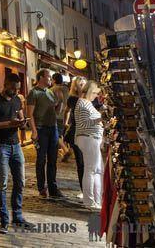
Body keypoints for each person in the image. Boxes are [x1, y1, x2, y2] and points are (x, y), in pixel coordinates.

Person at [0, 72, 35, 234]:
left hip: (16, 146)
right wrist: (9, 123)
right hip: (0, 147)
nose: (15, 91)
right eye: (13, 88)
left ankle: (18, 217)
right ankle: (4, 221)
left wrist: (22, 124)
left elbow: (21, 118)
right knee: (3, 184)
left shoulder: (17, 100)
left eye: (18, 89)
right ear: (5, 85)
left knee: (20, 182)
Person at [26, 69, 63, 199]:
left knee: (53, 160)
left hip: (53, 128)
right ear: (41, 77)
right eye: (48, 76)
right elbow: (29, 114)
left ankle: (53, 188)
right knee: (41, 160)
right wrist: (34, 131)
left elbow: (56, 112)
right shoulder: (33, 93)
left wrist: (60, 102)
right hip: (41, 129)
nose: (50, 79)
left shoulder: (50, 92)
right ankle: (41, 187)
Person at [75, 81, 104, 210]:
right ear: (90, 91)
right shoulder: (82, 103)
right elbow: (83, 124)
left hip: (93, 139)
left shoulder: (87, 104)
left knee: (96, 171)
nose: (96, 96)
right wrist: (100, 119)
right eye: (95, 93)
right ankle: (89, 201)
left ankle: (96, 200)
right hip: (88, 139)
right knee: (91, 170)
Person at [66, 77, 86, 194]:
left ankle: (89, 188)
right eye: (79, 84)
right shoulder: (73, 99)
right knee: (81, 162)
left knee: (88, 162)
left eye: (83, 84)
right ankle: (84, 189)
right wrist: (65, 123)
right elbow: (67, 111)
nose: (82, 86)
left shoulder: (90, 98)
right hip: (76, 133)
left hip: (88, 133)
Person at [50, 74, 71, 161]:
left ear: (54, 80)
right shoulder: (67, 89)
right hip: (66, 115)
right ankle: (63, 153)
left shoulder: (52, 90)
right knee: (61, 134)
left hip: (56, 115)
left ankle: (65, 150)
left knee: (56, 135)